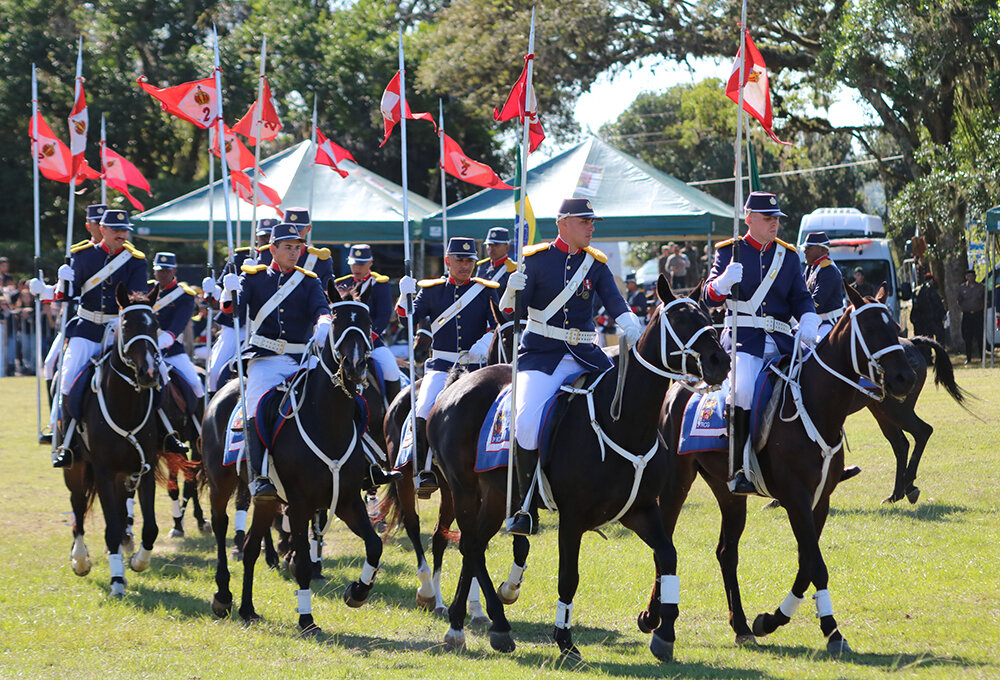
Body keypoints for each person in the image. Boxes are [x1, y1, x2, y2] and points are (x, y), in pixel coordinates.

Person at [500, 198, 644, 535]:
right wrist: (510, 292)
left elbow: (615, 301)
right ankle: (524, 504)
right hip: (542, 355)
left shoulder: (596, 265)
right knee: (527, 422)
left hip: (587, 356)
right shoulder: (534, 261)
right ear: (563, 222)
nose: (591, 227)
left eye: (593, 222)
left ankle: (619, 487)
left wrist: (631, 324)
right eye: (585, 221)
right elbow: (511, 316)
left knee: (625, 406)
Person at [703, 191, 819, 495]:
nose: (775, 224)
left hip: (783, 341)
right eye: (768, 219)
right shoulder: (730, 251)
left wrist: (808, 317)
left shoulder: (789, 255)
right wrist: (723, 282)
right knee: (741, 389)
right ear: (749, 218)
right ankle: (738, 468)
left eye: (777, 219)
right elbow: (709, 298)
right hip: (745, 341)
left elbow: (800, 297)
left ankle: (825, 457)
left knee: (822, 378)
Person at [220, 222, 332, 500]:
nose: (295, 253)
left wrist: (324, 322)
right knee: (255, 405)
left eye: (298, 248)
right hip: (266, 358)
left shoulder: (309, 280)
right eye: (288, 248)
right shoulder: (255, 278)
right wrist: (227, 292)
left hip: (301, 358)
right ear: (272, 249)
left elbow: (321, 308)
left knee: (336, 393)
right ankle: (259, 475)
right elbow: (232, 312)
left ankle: (363, 461)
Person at [29, 209, 149, 467]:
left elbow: (137, 295)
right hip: (86, 329)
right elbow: (69, 294)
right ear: (102, 230)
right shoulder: (82, 256)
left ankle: (162, 433)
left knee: (152, 372)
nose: (122, 234)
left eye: (125, 230)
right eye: (116, 230)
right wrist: (57, 286)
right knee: (67, 379)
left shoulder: (136, 260)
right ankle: (65, 438)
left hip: (117, 330)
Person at [396, 237, 500, 497]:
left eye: (469, 261)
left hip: (476, 368)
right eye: (459, 260)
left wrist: (486, 341)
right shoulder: (432, 290)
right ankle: (425, 469)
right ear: (447, 261)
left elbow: (498, 323)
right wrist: (404, 295)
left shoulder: (485, 289)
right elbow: (408, 319)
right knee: (423, 407)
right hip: (441, 366)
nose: (465, 266)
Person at [40, 202, 109, 417]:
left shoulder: (124, 256)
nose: (101, 227)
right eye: (97, 223)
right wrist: (44, 290)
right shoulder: (79, 254)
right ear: (89, 226)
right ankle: (58, 421)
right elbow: (66, 292)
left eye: (104, 223)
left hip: (111, 323)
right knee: (51, 364)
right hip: (76, 324)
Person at [202, 220, 275, 395]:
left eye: (269, 237)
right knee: (214, 371)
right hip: (236, 326)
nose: (265, 240)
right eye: (262, 236)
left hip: (266, 328)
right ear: (256, 237)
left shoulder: (279, 262)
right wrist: (214, 290)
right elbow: (219, 299)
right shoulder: (239, 258)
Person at [149, 252, 204, 448]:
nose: (162, 275)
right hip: (146, 351)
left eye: (166, 271)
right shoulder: (147, 290)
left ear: (174, 271)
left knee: (196, 384)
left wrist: (163, 340)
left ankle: (199, 429)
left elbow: (178, 325)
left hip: (172, 350)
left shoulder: (185, 296)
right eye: (159, 271)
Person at [334, 244, 400, 404]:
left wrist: (366, 336)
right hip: (344, 342)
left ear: (370, 262)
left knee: (391, 370)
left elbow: (383, 315)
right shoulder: (342, 284)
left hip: (371, 340)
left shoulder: (380, 283)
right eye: (354, 263)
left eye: (362, 264)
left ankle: (391, 412)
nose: (357, 267)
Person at [257, 208, 335, 289]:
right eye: (287, 229)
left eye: (298, 230)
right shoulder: (267, 254)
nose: (293, 235)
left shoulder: (319, 259)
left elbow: (327, 292)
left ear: (308, 229)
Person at [802, 232, 846, 339]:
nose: (805, 251)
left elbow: (817, 302)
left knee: (814, 350)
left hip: (829, 324)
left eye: (809, 248)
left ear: (822, 250)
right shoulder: (810, 268)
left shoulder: (829, 271)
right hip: (814, 320)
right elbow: (800, 292)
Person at [957, 268, 985, 363]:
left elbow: (985, 299)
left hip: (978, 315)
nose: (970, 278)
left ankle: (982, 356)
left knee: (980, 336)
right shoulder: (962, 288)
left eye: (972, 276)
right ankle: (968, 358)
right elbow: (959, 301)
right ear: (966, 277)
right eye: (968, 276)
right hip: (967, 315)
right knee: (967, 337)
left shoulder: (981, 287)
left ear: (975, 277)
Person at [911, 272, 946, 344]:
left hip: (925, 319)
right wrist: (942, 314)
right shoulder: (932, 290)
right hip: (934, 318)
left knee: (928, 339)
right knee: (939, 338)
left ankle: (929, 354)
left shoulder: (918, 291)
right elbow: (938, 304)